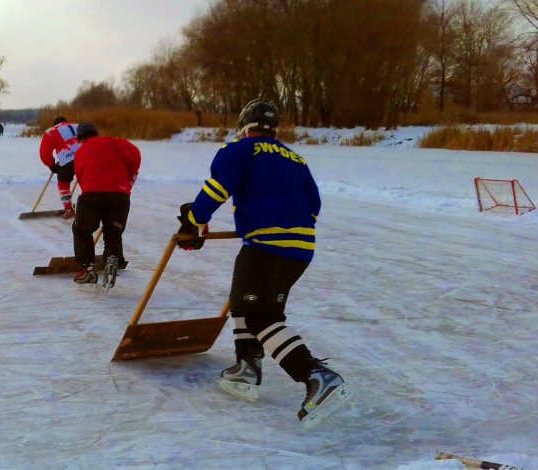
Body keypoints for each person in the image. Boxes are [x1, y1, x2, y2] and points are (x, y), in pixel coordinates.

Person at [176, 98, 351, 428]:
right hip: (298, 247)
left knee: (260, 315)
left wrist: (194, 218)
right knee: (244, 303)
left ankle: (316, 375)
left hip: (268, 245)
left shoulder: (238, 151)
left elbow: (217, 188)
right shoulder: (296, 158)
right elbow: (314, 204)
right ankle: (247, 366)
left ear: (244, 125)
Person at [71, 122, 141, 288]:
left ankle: (88, 268)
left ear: (80, 138)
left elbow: (81, 176)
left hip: (92, 194)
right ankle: (112, 264)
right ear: (96, 133)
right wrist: (127, 175)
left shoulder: (80, 151)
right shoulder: (114, 142)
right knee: (113, 232)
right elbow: (135, 155)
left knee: (82, 229)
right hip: (120, 194)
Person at [39, 116, 80, 219]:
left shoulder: (51, 131)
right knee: (88, 182)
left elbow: (45, 151)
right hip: (86, 157)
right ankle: (93, 208)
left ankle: (68, 209)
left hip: (67, 159)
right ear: (66, 121)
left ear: (55, 123)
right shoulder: (78, 126)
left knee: (63, 183)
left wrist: (51, 164)